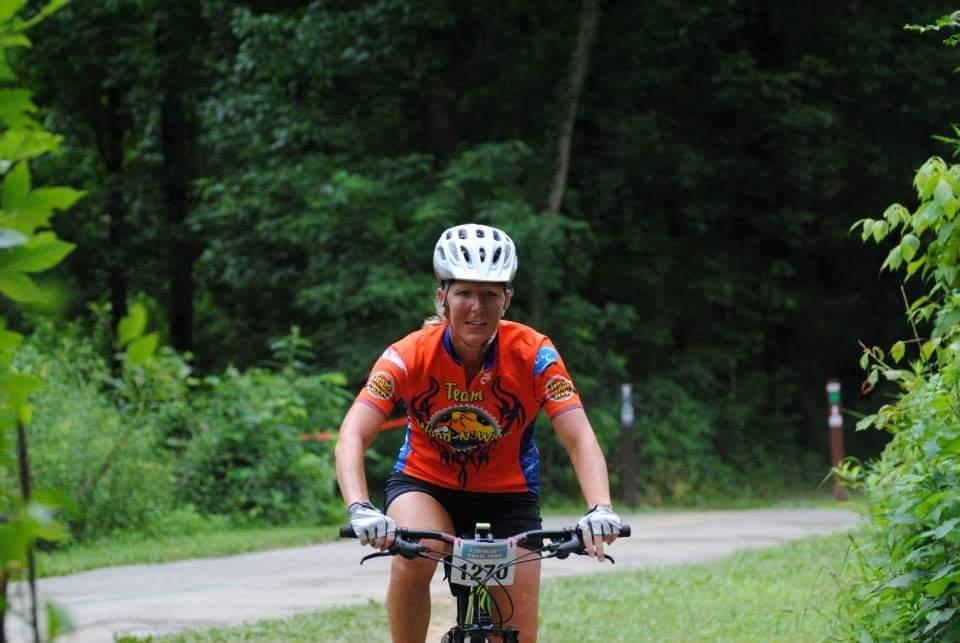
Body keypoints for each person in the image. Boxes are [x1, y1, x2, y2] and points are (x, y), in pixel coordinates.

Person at [335, 223, 621, 643]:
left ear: (506, 300)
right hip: (426, 485)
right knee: (414, 559)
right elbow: (352, 435)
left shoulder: (535, 354)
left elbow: (579, 437)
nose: (477, 306)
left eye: (490, 294)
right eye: (465, 292)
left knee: (515, 636)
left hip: (509, 496)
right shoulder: (408, 355)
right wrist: (360, 507)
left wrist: (600, 507)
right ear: (442, 297)